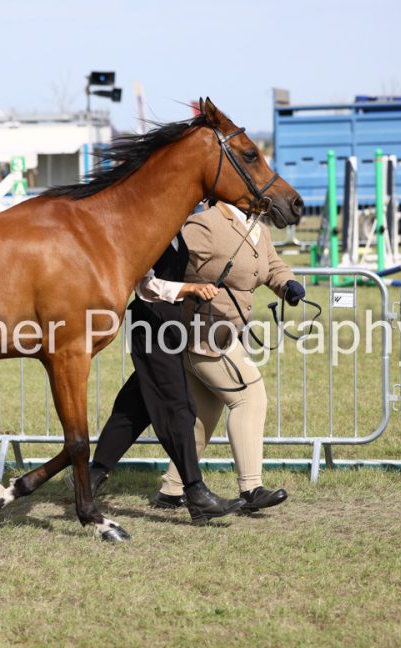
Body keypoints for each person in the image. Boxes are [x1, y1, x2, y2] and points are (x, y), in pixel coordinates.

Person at [68, 229, 247, 525]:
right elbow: (144, 284)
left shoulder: (177, 230)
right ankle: (197, 494)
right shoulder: (150, 231)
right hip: (150, 323)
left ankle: (90, 476)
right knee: (180, 408)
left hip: (169, 324)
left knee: (135, 407)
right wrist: (189, 289)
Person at [161, 200, 305, 511]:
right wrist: (188, 289)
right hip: (203, 334)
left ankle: (172, 489)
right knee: (250, 397)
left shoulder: (258, 227)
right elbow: (168, 264)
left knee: (203, 415)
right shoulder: (205, 224)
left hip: (228, 332)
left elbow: (272, 265)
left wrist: (288, 285)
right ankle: (251, 489)